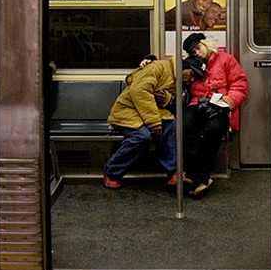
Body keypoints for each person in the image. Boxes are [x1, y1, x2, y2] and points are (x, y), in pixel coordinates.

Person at [103, 56, 193, 190]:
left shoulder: (178, 79)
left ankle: (174, 173)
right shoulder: (157, 67)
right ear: (184, 68)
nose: (192, 80)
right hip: (128, 112)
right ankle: (112, 172)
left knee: (172, 126)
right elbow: (138, 91)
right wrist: (153, 122)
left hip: (151, 112)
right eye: (192, 75)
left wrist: (166, 98)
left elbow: (169, 97)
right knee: (142, 137)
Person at [181, 32, 248, 196]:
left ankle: (196, 175)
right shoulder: (190, 65)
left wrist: (228, 101)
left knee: (214, 129)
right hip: (197, 102)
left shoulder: (226, 59)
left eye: (198, 48)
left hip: (219, 104)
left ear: (205, 44)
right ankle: (202, 177)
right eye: (194, 52)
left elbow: (239, 84)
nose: (197, 53)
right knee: (184, 126)